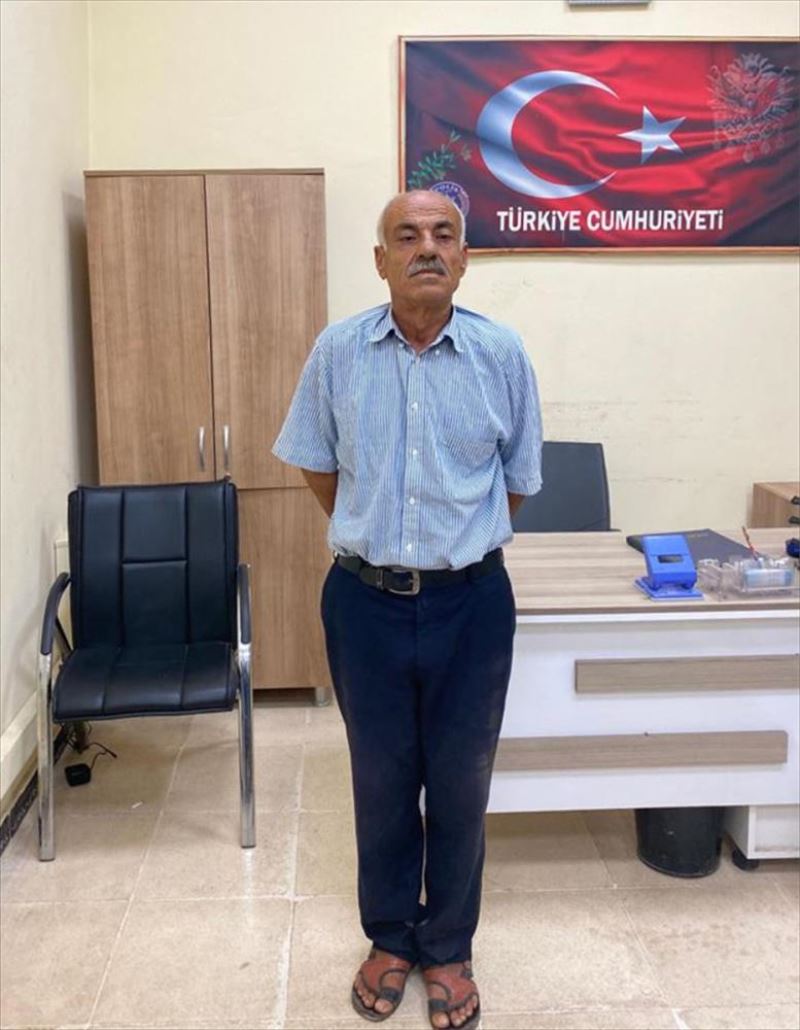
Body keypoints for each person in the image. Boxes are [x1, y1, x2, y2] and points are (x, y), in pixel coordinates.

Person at [273, 190, 542, 1030]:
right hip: (365, 604)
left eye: (443, 235)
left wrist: (452, 549)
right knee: (382, 781)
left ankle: (448, 947)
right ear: (380, 259)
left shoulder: (501, 354)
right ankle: (390, 937)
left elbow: (517, 481)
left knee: (461, 784)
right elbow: (316, 464)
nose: (427, 247)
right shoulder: (339, 351)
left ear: (464, 257)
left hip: (473, 606)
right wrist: (378, 542)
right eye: (407, 235)